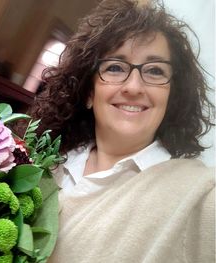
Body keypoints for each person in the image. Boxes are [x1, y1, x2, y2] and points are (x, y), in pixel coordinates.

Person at [28, 0, 215, 262]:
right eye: (115, 67)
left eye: (155, 71)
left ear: (172, 97)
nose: (134, 87)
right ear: (89, 92)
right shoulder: (38, 164)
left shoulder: (199, 196)